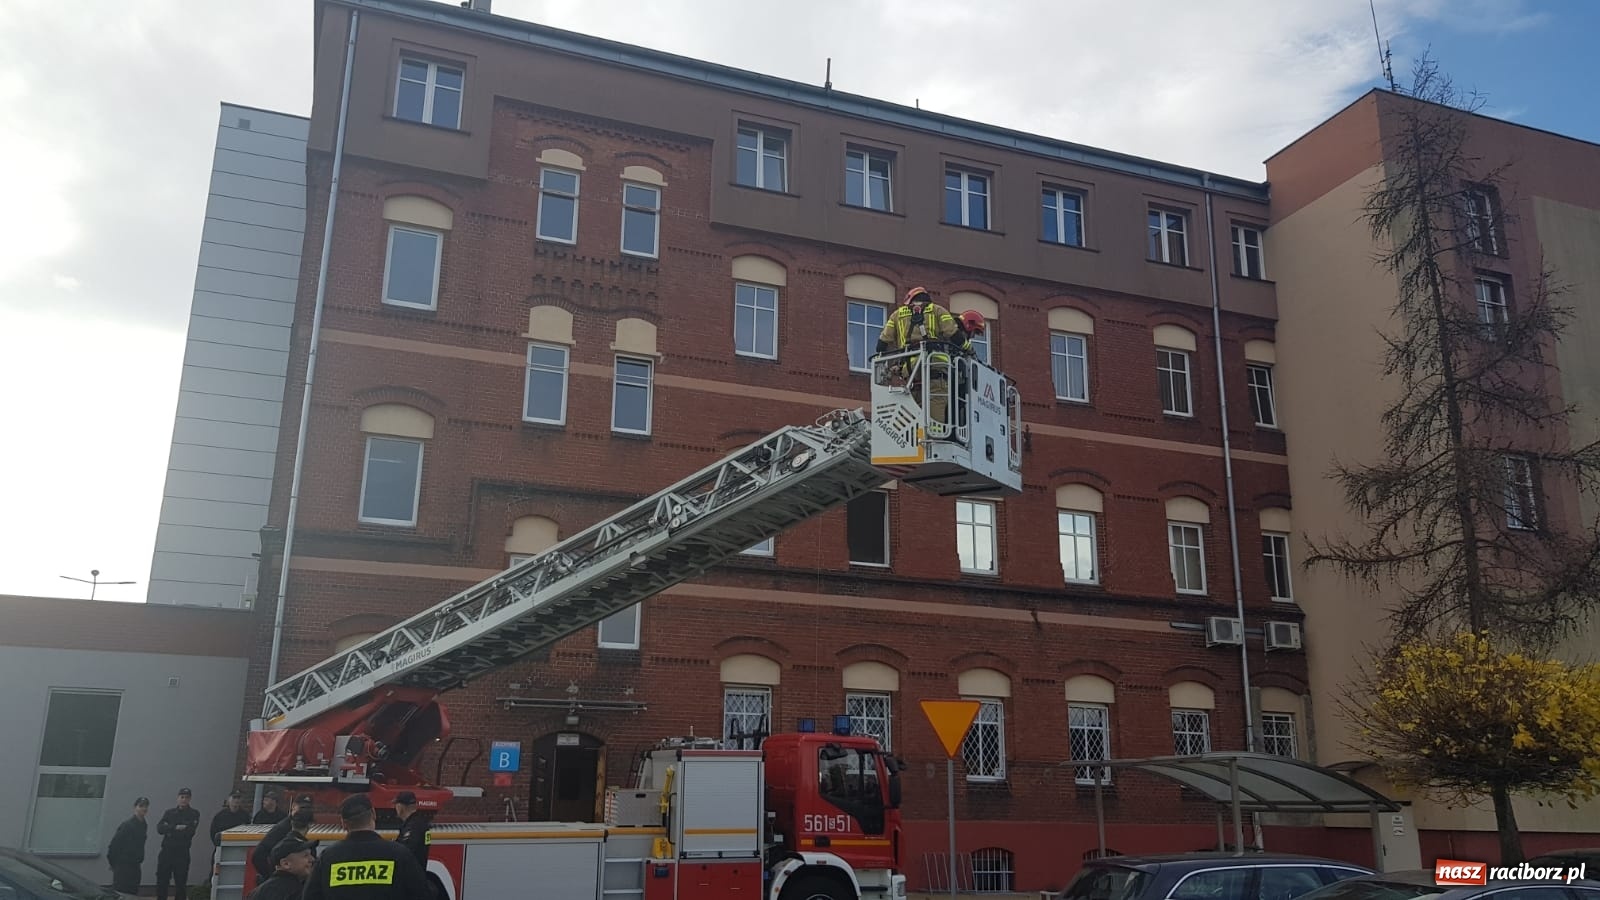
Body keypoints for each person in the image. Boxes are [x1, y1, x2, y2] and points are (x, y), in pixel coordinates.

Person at [303, 794, 432, 900]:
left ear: (343, 823)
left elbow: (310, 896)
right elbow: (422, 894)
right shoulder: (399, 854)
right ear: (374, 814)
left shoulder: (327, 858)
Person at [155, 788, 201, 900]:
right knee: (162, 881)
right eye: (182, 797)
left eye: (186, 797)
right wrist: (175, 827)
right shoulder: (169, 812)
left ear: (190, 799)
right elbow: (160, 828)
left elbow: (189, 832)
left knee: (181, 883)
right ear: (178, 798)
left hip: (182, 853)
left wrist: (170, 830)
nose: (184, 800)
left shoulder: (193, 813)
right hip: (166, 852)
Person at [253, 797, 315, 880]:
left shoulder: (295, 830)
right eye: (302, 808)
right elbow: (258, 855)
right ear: (293, 807)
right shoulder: (281, 829)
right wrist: (271, 877)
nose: (304, 812)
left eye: (308, 808)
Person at [247, 837, 317, 900]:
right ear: (286, 864)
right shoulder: (298, 892)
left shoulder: (254, 893)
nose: (312, 859)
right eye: (305, 855)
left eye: (310, 854)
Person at [106, 796, 150, 895]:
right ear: (135, 807)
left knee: (133, 894)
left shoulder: (144, 825)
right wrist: (114, 865)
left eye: (146, 806)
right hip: (123, 867)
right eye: (141, 806)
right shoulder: (127, 825)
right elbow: (113, 846)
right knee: (121, 894)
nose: (144, 808)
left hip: (136, 867)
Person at [209, 789, 253, 883]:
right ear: (229, 799)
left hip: (239, 852)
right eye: (234, 798)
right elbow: (213, 832)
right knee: (216, 876)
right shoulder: (220, 816)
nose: (236, 800)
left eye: (238, 798)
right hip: (221, 850)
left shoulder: (245, 816)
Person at [392, 792, 432, 874]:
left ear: (400, 807)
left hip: (410, 877)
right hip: (418, 875)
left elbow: (404, 851)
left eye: (396, 805)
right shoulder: (421, 823)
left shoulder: (412, 827)